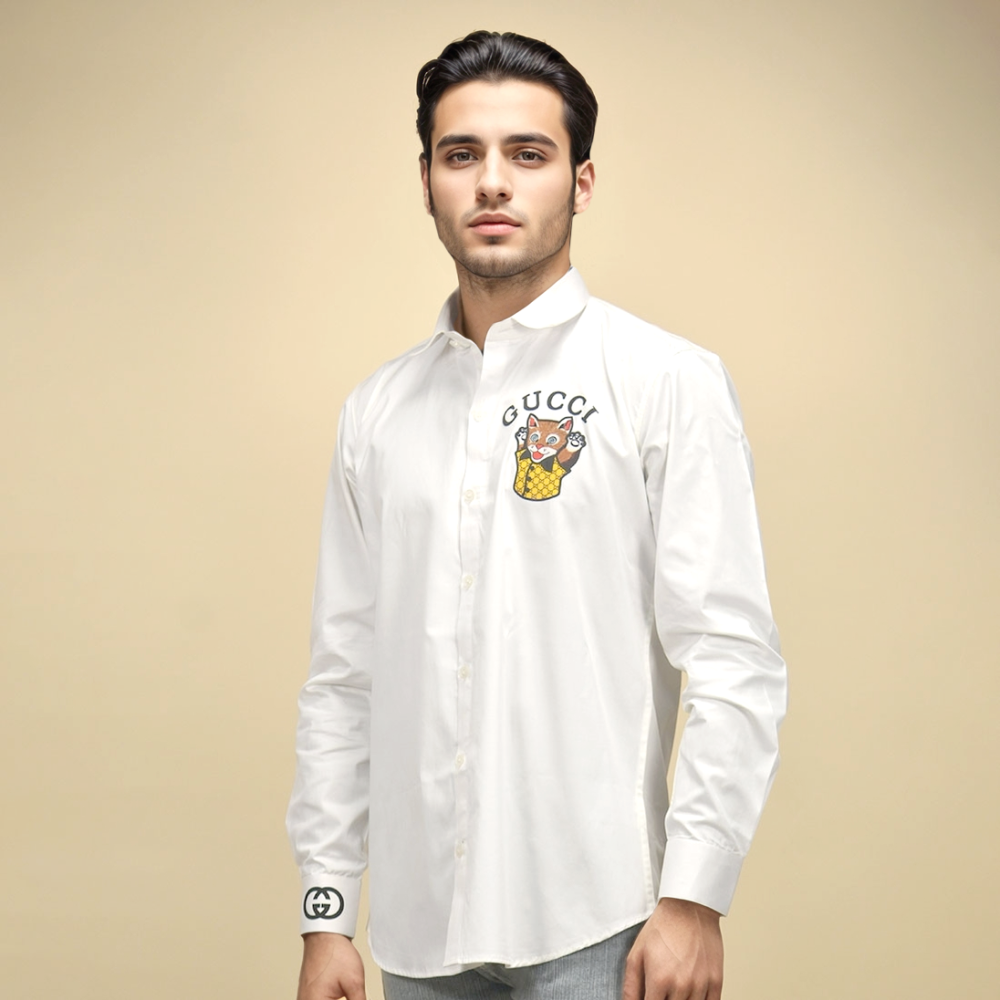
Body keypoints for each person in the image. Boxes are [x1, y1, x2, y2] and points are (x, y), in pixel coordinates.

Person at [287, 30, 787, 1000]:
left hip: (602, 924)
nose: (492, 183)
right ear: (426, 181)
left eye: (528, 153)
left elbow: (733, 655)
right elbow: (343, 680)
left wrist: (695, 896)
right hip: (418, 940)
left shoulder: (664, 381)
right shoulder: (377, 413)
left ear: (580, 182)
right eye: (460, 154)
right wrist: (325, 911)